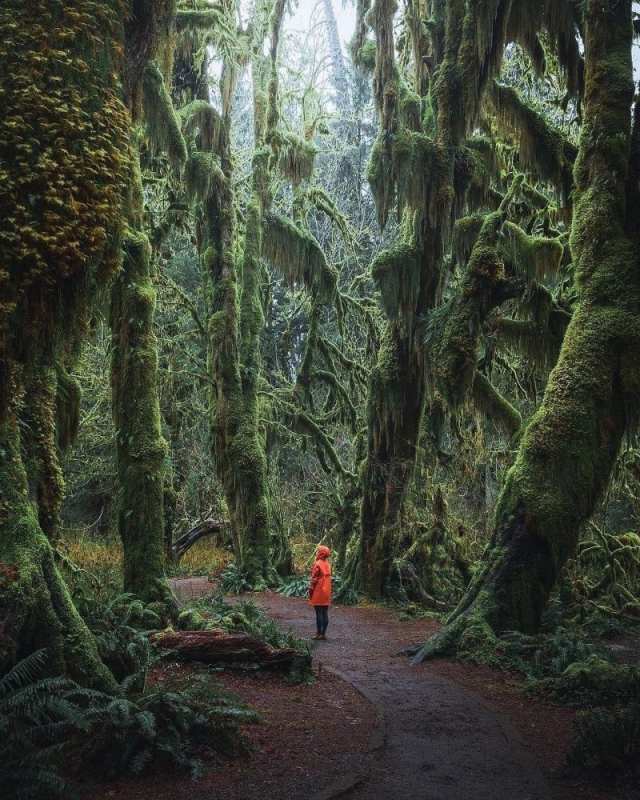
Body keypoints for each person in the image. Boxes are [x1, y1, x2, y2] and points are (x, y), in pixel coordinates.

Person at [308, 545, 331, 640]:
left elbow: (313, 580)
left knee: (319, 613)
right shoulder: (328, 565)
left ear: (320, 553)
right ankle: (323, 633)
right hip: (326, 592)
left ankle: (318, 633)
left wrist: (310, 590)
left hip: (318, 591)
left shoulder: (317, 564)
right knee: (325, 612)